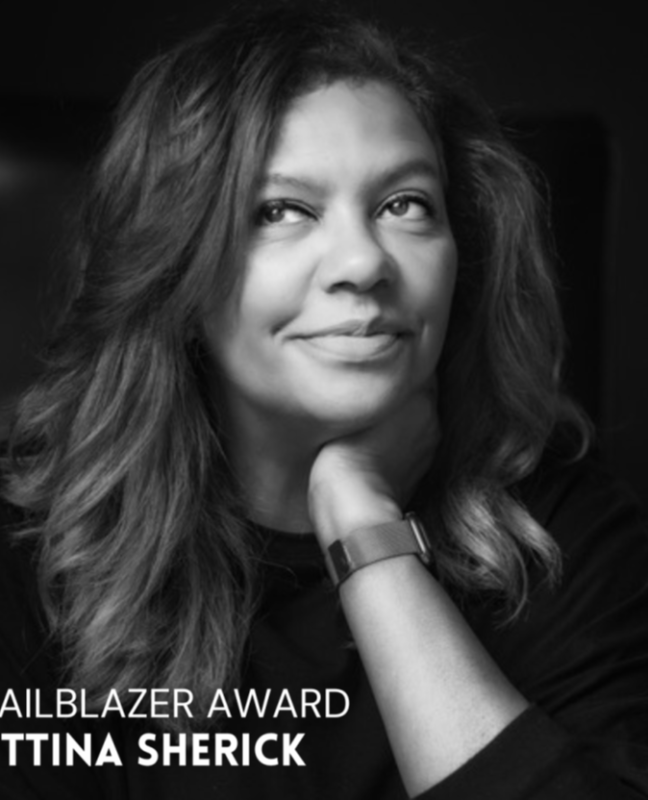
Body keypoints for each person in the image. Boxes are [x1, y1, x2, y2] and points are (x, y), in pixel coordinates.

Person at [1, 4, 647, 798]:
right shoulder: (30, 549)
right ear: (174, 267)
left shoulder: (565, 530)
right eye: (281, 211)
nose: (363, 264)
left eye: (405, 204)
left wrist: (365, 529)